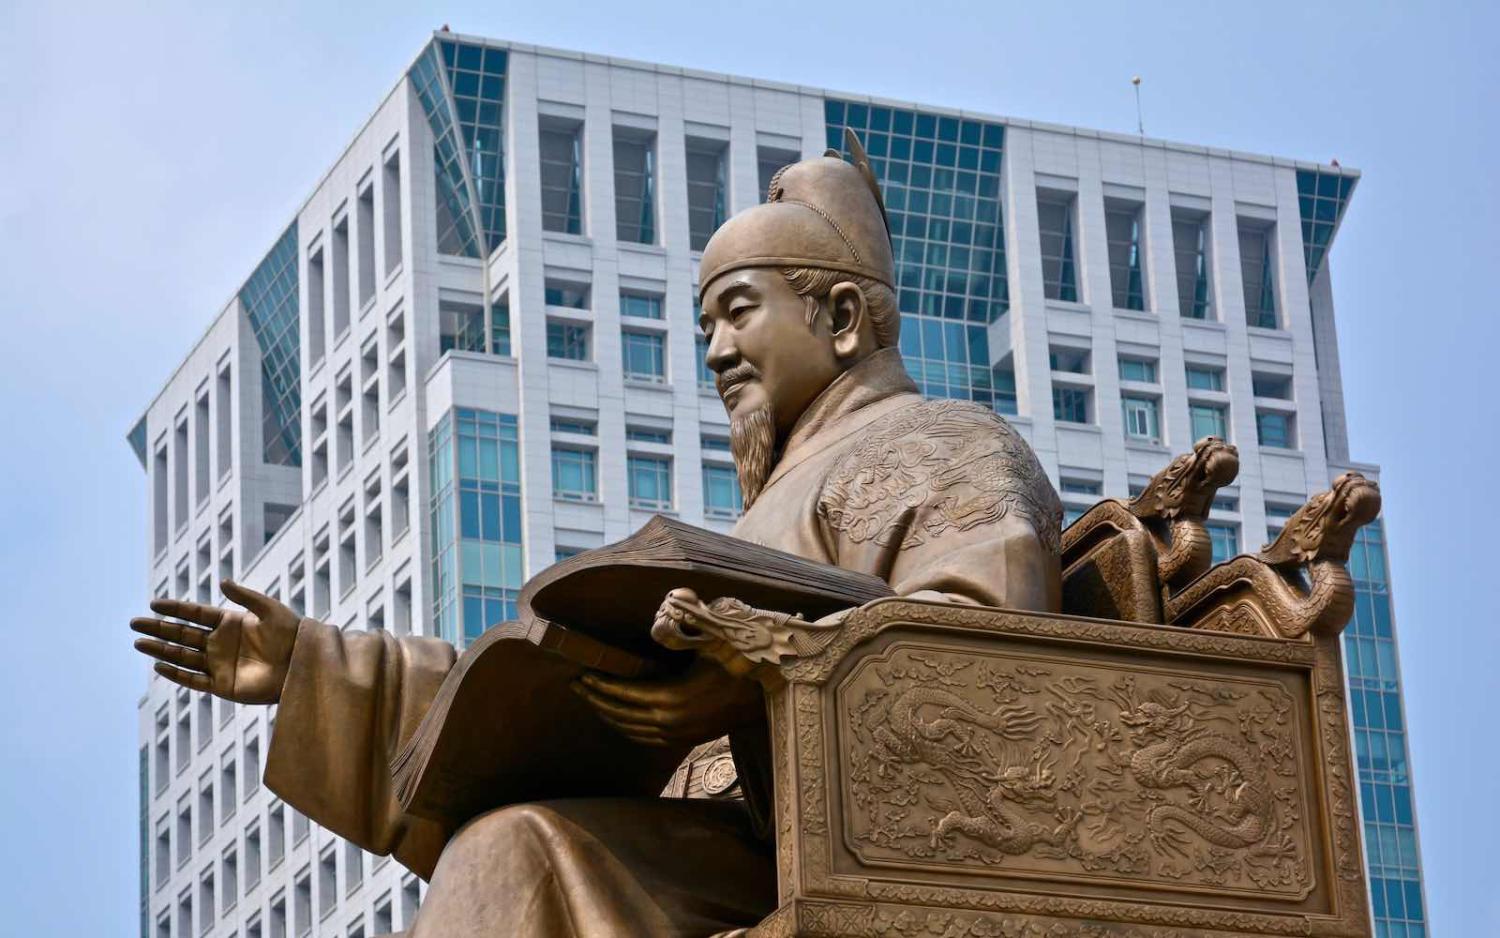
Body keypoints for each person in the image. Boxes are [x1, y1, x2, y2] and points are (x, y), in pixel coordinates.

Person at [130, 137, 1062, 937]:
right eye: (706, 323)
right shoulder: (764, 507)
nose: (715, 352)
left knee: (514, 851)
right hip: (710, 840)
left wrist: (756, 679)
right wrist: (316, 667)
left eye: (741, 311)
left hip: (834, 847)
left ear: (844, 318)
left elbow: (988, 660)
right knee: (506, 840)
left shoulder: (949, 446)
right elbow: (564, 688)